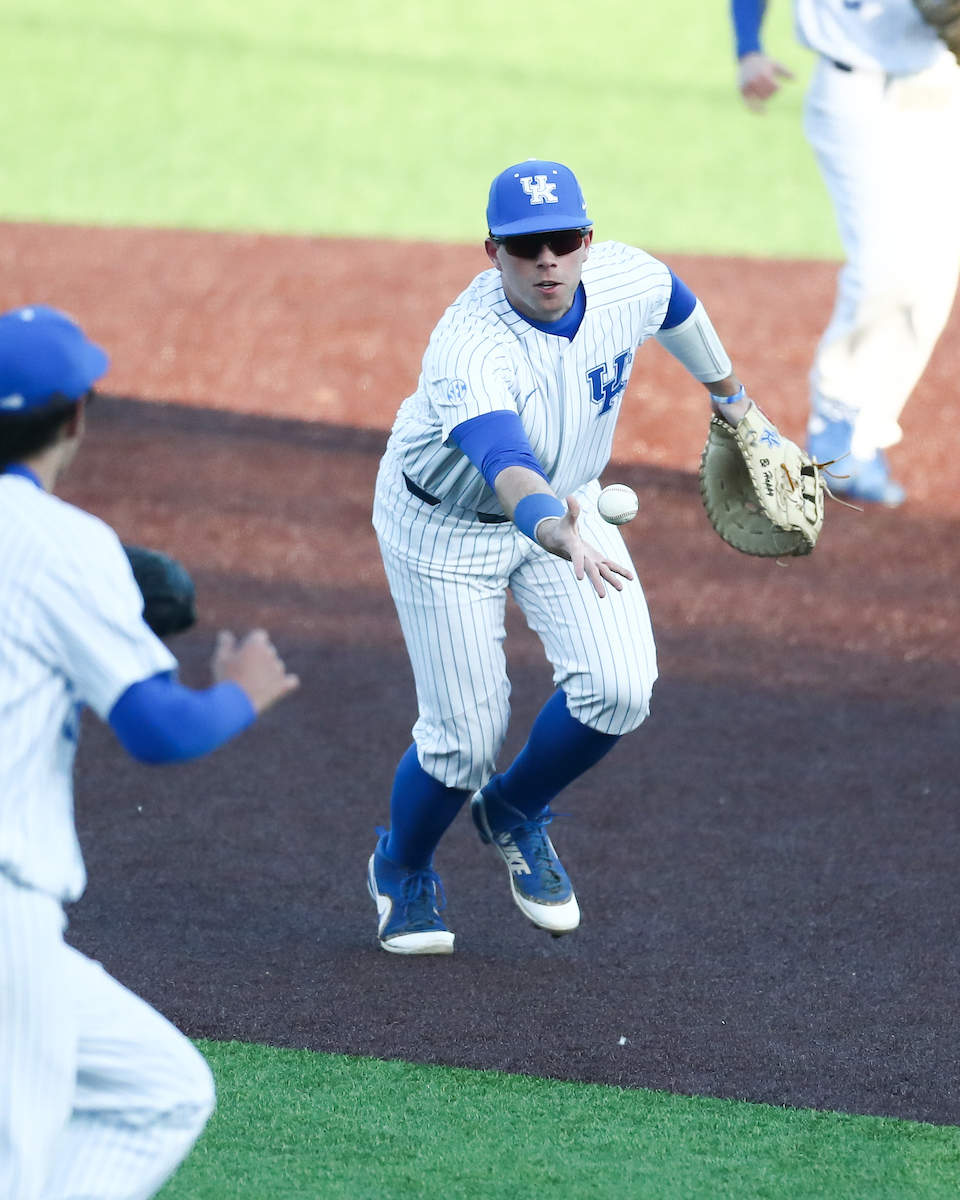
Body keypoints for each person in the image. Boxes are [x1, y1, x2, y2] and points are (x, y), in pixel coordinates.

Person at [367, 159, 762, 955]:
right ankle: (399, 868)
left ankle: (511, 810)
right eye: (524, 246)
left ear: (587, 239)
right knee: (464, 738)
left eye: (563, 241)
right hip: (450, 526)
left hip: (571, 503)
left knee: (620, 691)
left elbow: (676, 303)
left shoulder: (622, 278)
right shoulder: (469, 347)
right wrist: (551, 529)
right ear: (492, 252)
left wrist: (738, 405)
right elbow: (505, 460)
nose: (547, 260)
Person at [0, 305, 299, 1199]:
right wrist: (242, 689)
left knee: (160, 1090)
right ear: (76, 416)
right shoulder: (65, 546)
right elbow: (158, 729)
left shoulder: (66, 554)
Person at [733, 0, 960, 504]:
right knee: (885, 265)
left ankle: (869, 433)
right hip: (855, 95)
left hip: (943, 89)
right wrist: (748, 47)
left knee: (935, 278)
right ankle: (835, 413)